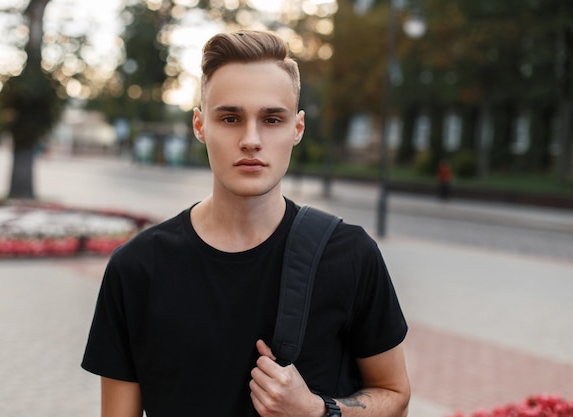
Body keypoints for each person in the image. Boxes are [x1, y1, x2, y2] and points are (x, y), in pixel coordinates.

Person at [81, 30, 410, 417]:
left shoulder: (350, 254)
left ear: (297, 129)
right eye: (231, 118)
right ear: (200, 126)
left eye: (272, 119)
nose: (251, 140)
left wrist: (317, 411)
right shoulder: (137, 268)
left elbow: (395, 395)